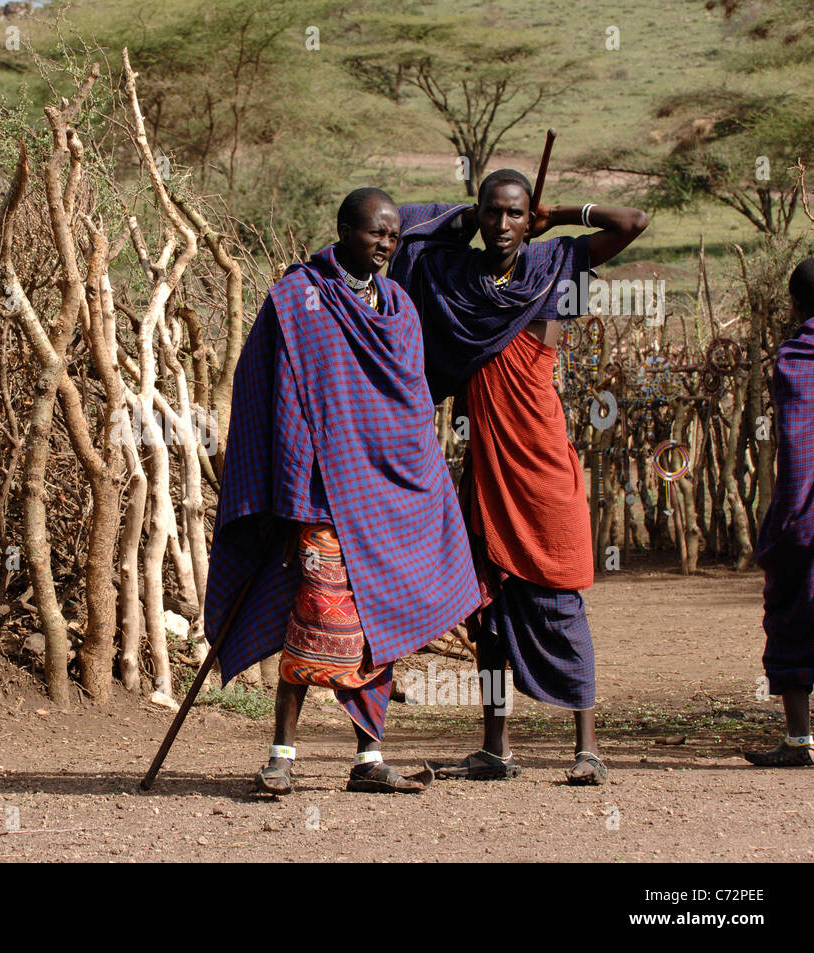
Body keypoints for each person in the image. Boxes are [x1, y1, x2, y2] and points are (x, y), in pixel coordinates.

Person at [203, 187, 480, 796]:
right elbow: (272, 392)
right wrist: (294, 482)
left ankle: (368, 759)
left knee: (380, 626)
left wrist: (422, 483)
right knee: (314, 619)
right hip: (325, 492)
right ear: (342, 229)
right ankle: (281, 755)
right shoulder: (297, 299)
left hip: (387, 496)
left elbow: (408, 405)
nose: (384, 245)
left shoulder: (400, 307)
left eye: (393, 236)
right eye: (374, 233)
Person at [389, 170, 647, 785]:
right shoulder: (454, 278)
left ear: (529, 216)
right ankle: (494, 749)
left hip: (543, 466)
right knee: (491, 613)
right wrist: (461, 213)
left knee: (559, 602)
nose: (502, 226)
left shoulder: (557, 268)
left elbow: (632, 222)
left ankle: (587, 749)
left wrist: (559, 213)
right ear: (478, 215)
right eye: (491, 213)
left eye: (514, 214)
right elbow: (404, 235)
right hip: (486, 471)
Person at [746, 258, 814, 767]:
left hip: (805, 513)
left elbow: (796, 446)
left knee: (794, 611)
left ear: (793, 306)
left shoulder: (796, 358)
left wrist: (789, 521)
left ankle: (798, 741)